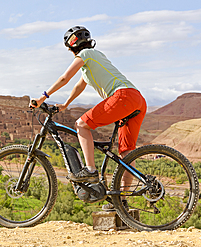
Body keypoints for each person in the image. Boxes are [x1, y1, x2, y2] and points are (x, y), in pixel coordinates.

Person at [30, 26, 147, 210]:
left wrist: (42, 97)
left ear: (70, 47)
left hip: (122, 97)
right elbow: (78, 86)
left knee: (82, 124)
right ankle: (122, 201)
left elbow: (64, 78)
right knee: (126, 153)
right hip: (137, 100)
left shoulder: (84, 55)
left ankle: (91, 170)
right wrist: (66, 104)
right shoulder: (93, 58)